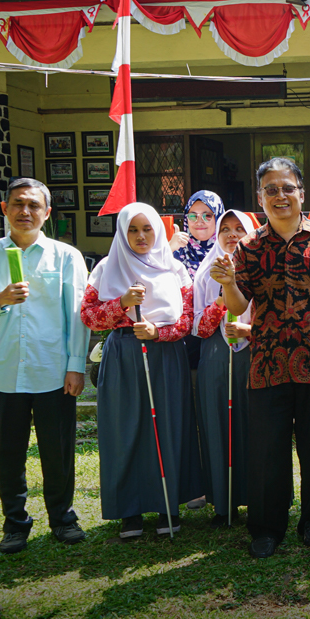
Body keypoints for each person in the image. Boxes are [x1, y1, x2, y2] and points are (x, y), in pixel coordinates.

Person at [210, 157, 310, 559]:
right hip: (268, 362)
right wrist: (226, 284)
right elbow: (240, 304)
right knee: (267, 449)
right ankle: (266, 526)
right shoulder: (249, 247)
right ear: (260, 197)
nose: (280, 196)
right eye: (271, 189)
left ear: (301, 193)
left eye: (287, 188)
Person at [0, 178, 90, 554]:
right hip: (5, 370)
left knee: (58, 449)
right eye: (17, 204)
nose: (25, 212)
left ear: (46, 213)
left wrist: (76, 366)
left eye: (34, 205)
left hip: (52, 370)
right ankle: (15, 523)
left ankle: (63, 518)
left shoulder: (65, 257)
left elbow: (76, 316)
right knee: (9, 452)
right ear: (5, 209)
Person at [81, 202, 202, 538]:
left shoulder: (173, 268)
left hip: (166, 357)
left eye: (146, 228)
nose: (140, 236)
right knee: (125, 429)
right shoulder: (107, 267)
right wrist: (120, 304)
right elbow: (88, 316)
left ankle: (168, 503)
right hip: (124, 356)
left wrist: (158, 332)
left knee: (168, 427)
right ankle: (129, 510)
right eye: (132, 229)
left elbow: (187, 318)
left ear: (158, 230)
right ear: (122, 232)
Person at [192, 209, 257, 529]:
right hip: (216, 355)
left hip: (255, 355)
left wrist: (249, 331)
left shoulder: (261, 265)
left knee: (256, 427)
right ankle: (224, 503)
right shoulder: (205, 271)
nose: (232, 235)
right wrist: (220, 301)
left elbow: (278, 318)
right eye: (226, 229)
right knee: (218, 427)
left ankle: (260, 499)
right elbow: (198, 328)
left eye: (239, 229)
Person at [169, 190, 224, 511]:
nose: (200, 222)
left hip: (218, 347)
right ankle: (193, 484)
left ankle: (216, 482)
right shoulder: (173, 254)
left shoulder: (225, 250)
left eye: (208, 215)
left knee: (212, 417)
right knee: (187, 417)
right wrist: (167, 250)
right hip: (182, 349)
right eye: (193, 215)